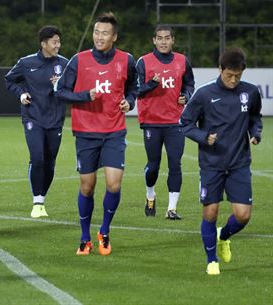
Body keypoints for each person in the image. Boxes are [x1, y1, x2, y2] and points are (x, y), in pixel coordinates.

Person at [54, 12, 137, 256]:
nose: (99, 37)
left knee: (113, 184)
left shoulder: (126, 60)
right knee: (87, 186)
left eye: (105, 33)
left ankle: (104, 231)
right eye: (97, 32)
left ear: (114, 37)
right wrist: (83, 96)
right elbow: (60, 92)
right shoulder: (78, 60)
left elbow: (133, 87)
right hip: (86, 132)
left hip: (114, 131)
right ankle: (84, 237)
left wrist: (129, 101)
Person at [180, 48, 262, 275]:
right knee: (210, 213)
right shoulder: (204, 94)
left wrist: (256, 132)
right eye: (229, 75)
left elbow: (254, 117)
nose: (233, 80)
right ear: (220, 70)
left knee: (243, 215)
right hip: (211, 163)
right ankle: (211, 260)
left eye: (238, 75)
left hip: (239, 163)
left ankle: (223, 236)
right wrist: (204, 137)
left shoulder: (251, 92)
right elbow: (185, 123)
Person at [5, 25, 69, 218]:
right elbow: (9, 80)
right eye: (54, 42)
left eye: (59, 41)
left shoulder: (65, 64)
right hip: (33, 117)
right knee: (38, 157)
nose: (58, 45)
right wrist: (21, 94)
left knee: (50, 162)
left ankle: (42, 197)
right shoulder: (26, 62)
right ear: (43, 44)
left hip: (55, 118)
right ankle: (37, 201)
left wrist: (61, 84)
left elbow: (75, 85)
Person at [136, 25, 195, 219]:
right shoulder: (143, 62)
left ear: (173, 40)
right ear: (154, 40)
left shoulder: (182, 61)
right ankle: (150, 194)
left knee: (175, 164)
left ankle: (172, 209)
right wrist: (152, 83)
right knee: (153, 165)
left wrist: (186, 95)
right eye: (159, 38)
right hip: (151, 121)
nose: (163, 41)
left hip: (175, 121)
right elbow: (135, 90)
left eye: (167, 38)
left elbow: (189, 84)